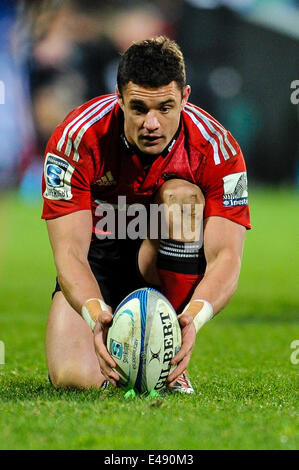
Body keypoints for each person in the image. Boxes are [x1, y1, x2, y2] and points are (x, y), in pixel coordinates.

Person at [42, 36, 250, 394]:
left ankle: (166, 339)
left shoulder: (216, 148)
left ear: (185, 97)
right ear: (119, 98)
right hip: (98, 261)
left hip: (160, 260)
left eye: (165, 108)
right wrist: (95, 314)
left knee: (182, 197)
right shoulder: (76, 139)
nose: (151, 123)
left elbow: (227, 257)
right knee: (74, 378)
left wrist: (192, 320)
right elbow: (70, 253)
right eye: (138, 108)